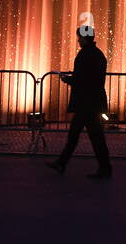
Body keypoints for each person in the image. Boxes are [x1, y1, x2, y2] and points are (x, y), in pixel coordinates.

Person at [48, 24, 113, 179]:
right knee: (83, 135)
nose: (78, 41)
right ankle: (62, 163)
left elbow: (84, 79)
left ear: (84, 38)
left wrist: (68, 79)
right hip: (93, 102)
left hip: (87, 103)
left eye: (79, 38)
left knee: (89, 136)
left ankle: (104, 168)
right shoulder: (97, 54)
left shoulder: (85, 55)